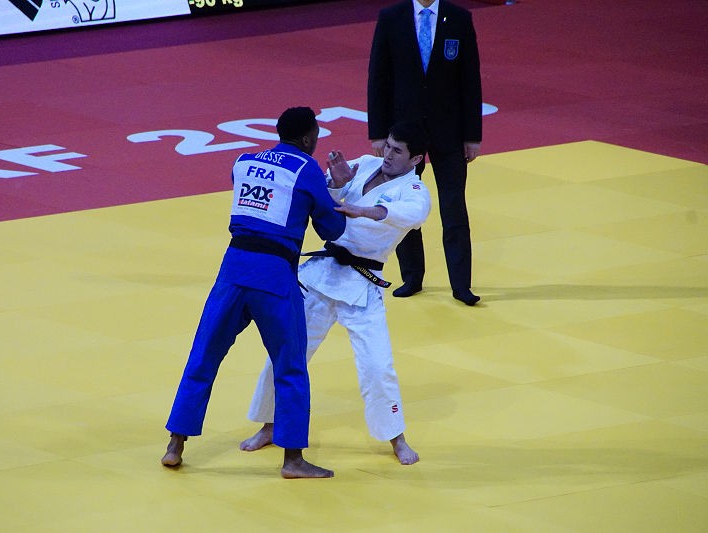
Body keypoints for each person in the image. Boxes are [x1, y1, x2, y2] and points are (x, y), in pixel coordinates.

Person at [161, 107, 347, 479]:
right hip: (274, 277)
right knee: (290, 367)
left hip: (232, 271)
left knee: (203, 356)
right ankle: (293, 460)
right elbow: (333, 229)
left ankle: (175, 445)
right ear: (308, 139)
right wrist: (335, 189)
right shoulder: (307, 169)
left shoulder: (243, 162)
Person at [239, 121, 431, 465]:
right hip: (323, 274)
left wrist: (362, 209)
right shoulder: (367, 164)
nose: (387, 154)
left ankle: (397, 438)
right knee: (287, 352)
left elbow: (406, 215)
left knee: (377, 366)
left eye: (397, 151)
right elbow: (324, 192)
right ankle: (270, 425)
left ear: (415, 159)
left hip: (363, 282)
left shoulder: (415, 192)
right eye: (387, 146)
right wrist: (338, 183)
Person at [368, 0, 483, 305]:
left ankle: (461, 285)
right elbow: (378, 77)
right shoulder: (391, 17)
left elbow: (470, 79)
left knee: (454, 207)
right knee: (404, 204)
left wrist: (472, 135)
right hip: (404, 132)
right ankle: (412, 277)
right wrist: (378, 133)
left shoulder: (459, 18)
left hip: (450, 131)